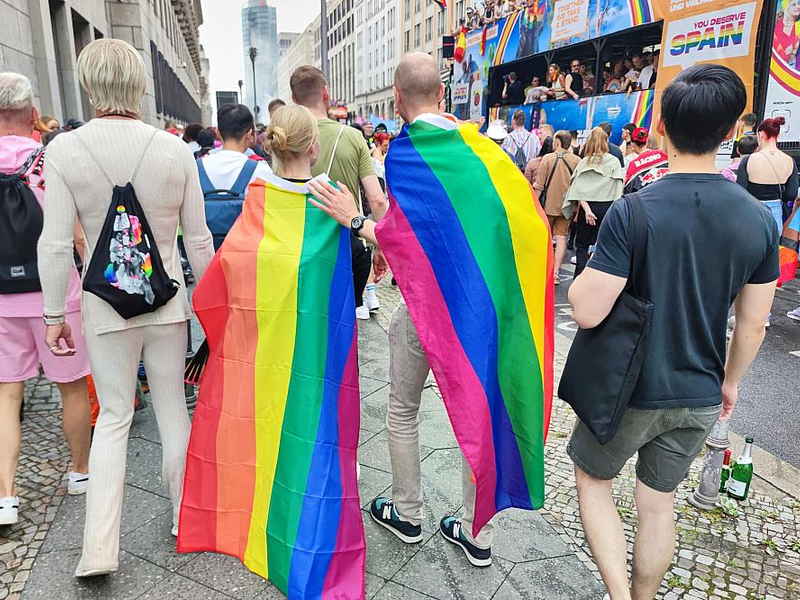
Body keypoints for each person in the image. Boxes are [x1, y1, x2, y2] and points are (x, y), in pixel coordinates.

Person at [308, 51, 552, 571]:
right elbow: (526, 221)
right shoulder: (485, 151)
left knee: (401, 408)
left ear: (396, 99)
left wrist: (354, 220)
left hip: (426, 310)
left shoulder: (405, 153)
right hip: (478, 311)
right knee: (480, 409)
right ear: (442, 94)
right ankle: (476, 533)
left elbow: (402, 238)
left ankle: (408, 512)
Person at [566, 63, 778, 600]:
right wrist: (729, 383)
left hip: (630, 390)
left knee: (594, 481)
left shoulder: (634, 211)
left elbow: (586, 311)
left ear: (661, 126)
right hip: (700, 390)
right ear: (731, 132)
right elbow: (753, 323)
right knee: (658, 504)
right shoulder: (760, 221)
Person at [37, 39, 214, 577]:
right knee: (172, 409)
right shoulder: (175, 150)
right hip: (167, 302)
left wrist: (53, 315)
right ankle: (184, 516)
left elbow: (54, 243)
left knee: (114, 416)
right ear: (140, 85)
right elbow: (198, 239)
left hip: (104, 306)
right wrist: (211, 308)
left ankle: (98, 549)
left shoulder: (64, 150)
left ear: (89, 85)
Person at [0, 72, 91, 526]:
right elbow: (75, 234)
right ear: (33, 115)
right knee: (71, 386)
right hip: (55, 293)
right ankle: (80, 472)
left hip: (1, 299)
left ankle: (6, 496)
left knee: (6, 394)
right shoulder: (47, 162)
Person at [290, 66, 388, 318]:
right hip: (345, 246)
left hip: (301, 247)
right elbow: (377, 199)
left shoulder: (287, 138)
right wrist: (381, 244)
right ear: (326, 93)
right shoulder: (352, 137)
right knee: (343, 323)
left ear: (293, 99)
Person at [564, 126, 624, 275]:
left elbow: (577, 189)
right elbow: (618, 189)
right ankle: (594, 277)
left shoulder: (584, 162)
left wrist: (587, 210)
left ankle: (579, 276)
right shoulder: (614, 162)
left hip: (587, 208)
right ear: (606, 141)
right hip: (607, 207)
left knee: (582, 245)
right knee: (601, 245)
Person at [532, 130, 581, 284]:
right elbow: (579, 186)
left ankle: (541, 270)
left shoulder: (547, 158)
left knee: (544, 237)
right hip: (567, 206)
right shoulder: (577, 160)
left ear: (557, 142)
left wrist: (533, 205)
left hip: (547, 206)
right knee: (561, 238)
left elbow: (539, 186)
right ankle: (555, 273)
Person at [737, 116, 799, 231]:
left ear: (760, 134)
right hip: (775, 215)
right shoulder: (789, 161)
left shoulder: (749, 160)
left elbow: (740, 191)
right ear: (778, 136)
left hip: (752, 213)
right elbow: (791, 194)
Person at [774, 0, 800, 66]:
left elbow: (793, 56)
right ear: (787, 7)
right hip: (774, 65)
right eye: (794, 4)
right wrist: (784, 53)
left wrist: (793, 52)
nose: (798, 7)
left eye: (798, 4)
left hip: (788, 66)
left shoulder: (797, 27)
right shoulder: (777, 25)